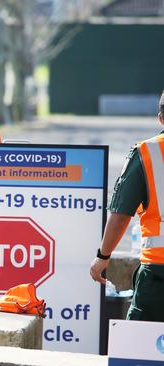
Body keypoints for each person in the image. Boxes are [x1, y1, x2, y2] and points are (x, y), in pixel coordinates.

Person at [90, 91, 164, 322]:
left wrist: (103, 256)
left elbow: (121, 214)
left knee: (143, 349)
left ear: (161, 118)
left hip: (159, 275)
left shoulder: (147, 153)